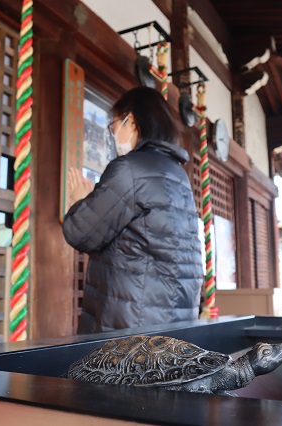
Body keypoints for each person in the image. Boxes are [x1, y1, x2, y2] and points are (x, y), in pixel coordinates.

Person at [62, 86, 203, 334]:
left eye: (114, 124)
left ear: (132, 121)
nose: (113, 131)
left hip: (132, 325)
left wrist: (79, 200)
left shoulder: (129, 169)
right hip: (175, 323)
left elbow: (80, 231)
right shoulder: (178, 175)